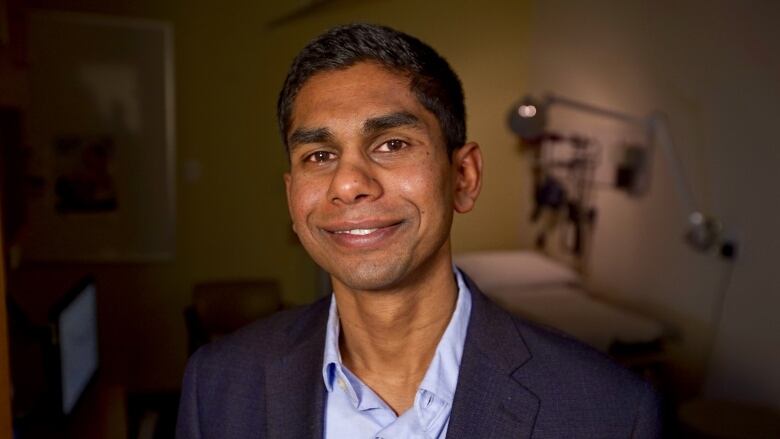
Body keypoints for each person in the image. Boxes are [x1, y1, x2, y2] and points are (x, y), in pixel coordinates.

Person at [176, 23, 662, 438]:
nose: (348, 184)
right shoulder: (217, 385)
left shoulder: (610, 414)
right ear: (291, 198)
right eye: (319, 156)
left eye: (391, 144)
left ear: (464, 178)